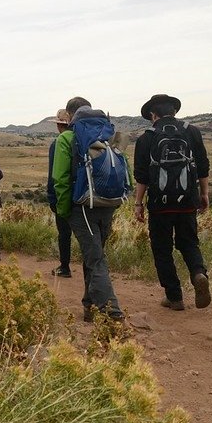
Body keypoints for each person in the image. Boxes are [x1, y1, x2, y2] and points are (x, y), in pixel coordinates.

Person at [133, 94, 211, 310]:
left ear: (152, 114)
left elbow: (141, 177)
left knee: (162, 248)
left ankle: (174, 297)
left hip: (160, 204)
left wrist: (138, 204)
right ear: (174, 111)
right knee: (189, 242)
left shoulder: (146, 138)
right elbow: (203, 167)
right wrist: (203, 194)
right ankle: (198, 274)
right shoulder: (191, 131)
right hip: (187, 200)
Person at [52, 97, 125, 322]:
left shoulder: (66, 138)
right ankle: (89, 306)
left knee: (95, 258)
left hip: (81, 205)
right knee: (93, 254)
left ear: (70, 115)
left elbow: (60, 179)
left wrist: (64, 210)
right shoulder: (108, 134)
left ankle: (110, 310)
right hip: (109, 202)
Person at [47, 109, 73, 278]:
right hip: (85, 195)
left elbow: (54, 174)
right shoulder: (82, 139)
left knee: (64, 233)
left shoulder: (58, 143)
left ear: (58, 125)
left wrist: (52, 197)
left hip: (64, 195)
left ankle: (65, 266)